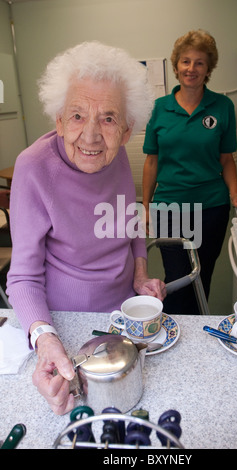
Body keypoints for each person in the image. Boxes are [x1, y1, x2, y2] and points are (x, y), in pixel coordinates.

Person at [6, 41, 166, 415]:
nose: (92, 135)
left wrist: (141, 275)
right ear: (59, 120)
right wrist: (45, 340)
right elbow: (23, 277)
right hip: (66, 327)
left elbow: (131, 223)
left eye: (108, 118)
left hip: (124, 318)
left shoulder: (117, 157)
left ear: (127, 131)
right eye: (77, 115)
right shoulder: (33, 168)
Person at [142, 30, 237, 315]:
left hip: (211, 206)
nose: (191, 69)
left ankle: (194, 341)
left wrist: (234, 192)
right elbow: (151, 162)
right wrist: (145, 206)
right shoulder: (159, 109)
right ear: (176, 65)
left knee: (200, 276)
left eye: (199, 63)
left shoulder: (222, 107)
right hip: (169, 205)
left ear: (208, 69)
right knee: (178, 277)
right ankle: (176, 334)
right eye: (185, 61)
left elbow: (226, 159)